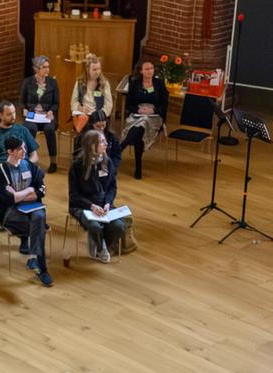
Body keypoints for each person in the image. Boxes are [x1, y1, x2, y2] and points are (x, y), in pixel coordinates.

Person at [0, 134, 53, 287]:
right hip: (10, 213)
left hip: (32, 207)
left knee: (38, 218)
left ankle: (39, 265)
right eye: (20, 149)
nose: (24, 151)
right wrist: (29, 191)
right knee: (39, 226)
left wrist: (23, 194)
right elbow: (9, 200)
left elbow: (42, 189)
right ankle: (38, 264)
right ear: (10, 152)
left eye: (24, 147)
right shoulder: (2, 173)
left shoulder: (30, 165)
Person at [69, 129, 129, 262]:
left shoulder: (108, 162)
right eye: (102, 142)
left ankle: (99, 242)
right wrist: (91, 206)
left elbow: (112, 187)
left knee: (119, 226)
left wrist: (108, 202)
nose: (106, 144)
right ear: (92, 146)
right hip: (83, 206)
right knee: (95, 226)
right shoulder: (77, 166)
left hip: (103, 205)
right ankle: (100, 246)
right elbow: (73, 196)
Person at [115, 60, 166, 180]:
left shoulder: (159, 83)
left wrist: (153, 111)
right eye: (147, 69)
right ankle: (138, 167)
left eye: (151, 68)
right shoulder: (135, 84)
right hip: (137, 115)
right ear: (141, 71)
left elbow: (164, 104)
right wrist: (138, 110)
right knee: (139, 131)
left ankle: (118, 150)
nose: (150, 71)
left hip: (154, 117)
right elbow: (129, 105)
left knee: (143, 124)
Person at [20, 57, 61, 172]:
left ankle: (53, 162)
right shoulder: (28, 82)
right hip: (32, 114)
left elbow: (56, 103)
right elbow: (22, 101)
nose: (47, 70)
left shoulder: (52, 82)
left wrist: (51, 111)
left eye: (48, 67)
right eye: (44, 67)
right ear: (36, 69)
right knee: (30, 128)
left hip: (47, 115)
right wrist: (24, 109)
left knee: (49, 129)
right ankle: (29, 159)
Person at [0, 101, 39, 172]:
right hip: (3, 170)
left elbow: (34, 155)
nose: (13, 116)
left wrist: (27, 166)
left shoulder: (23, 130)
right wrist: (2, 170)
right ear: (0, 115)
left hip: (23, 169)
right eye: (9, 114)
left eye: (14, 112)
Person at [70, 53, 113, 133]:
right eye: (94, 70)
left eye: (99, 69)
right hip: (84, 115)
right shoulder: (80, 82)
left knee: (92, 126)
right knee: (84, 125)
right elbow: (74, 101)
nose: (97, 72)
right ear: (87, 70)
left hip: (98, 117)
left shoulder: (104, 83)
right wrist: (80, 108)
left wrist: (99, 115)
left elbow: (108, 104)